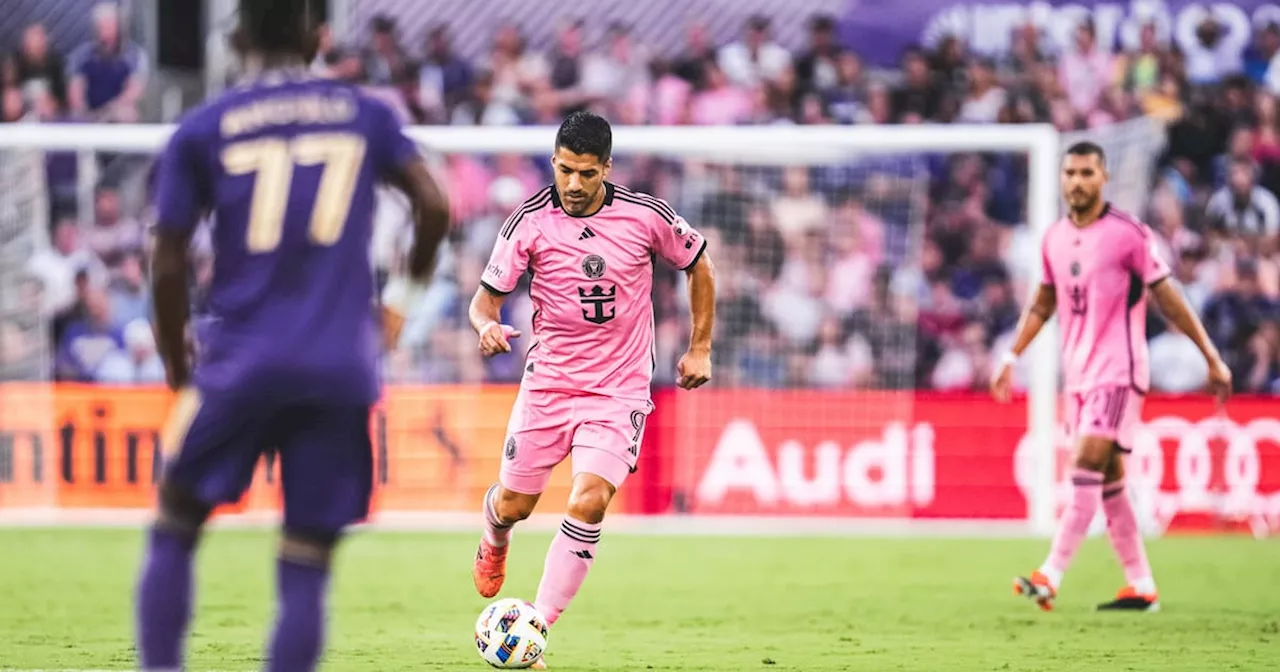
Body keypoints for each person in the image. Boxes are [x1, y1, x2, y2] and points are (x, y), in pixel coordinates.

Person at [135, 0, 449, 670]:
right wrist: (398, 306)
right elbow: (434, 202)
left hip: (243, 359)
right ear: (319, 37)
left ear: (238, 35)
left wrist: (176, 362)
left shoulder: (205, 127)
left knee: (176, 521)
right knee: (306, 555)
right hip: (338, 365)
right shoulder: (366, 115)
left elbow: (165, 256)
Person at [470, 111, 716, 668]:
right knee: (514, 505)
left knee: (589, 499)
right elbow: (484, 300)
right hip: (549, 385)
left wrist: (700, 346)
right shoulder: (527, 222)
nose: (574, 185)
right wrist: (486, 325)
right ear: (553, 164)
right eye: (564, 171)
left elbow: (699, 263)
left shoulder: (646, 215)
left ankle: (533, 625)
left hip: (618, 390)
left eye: (585, 173)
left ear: (606, 167)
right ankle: (494, 535)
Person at [991, 141, 1231, 612]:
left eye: (1086, 173)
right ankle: (1141, 585)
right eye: (1070, 173)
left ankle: (1050, 574)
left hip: (1119, 371)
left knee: (1082, 464)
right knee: (1108, 480)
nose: (1076, 182)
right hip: (1077, 375)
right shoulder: (1054, 239)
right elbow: (1043, 303)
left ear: (1103, 178)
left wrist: (1211, 355)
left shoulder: (1129, 235)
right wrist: (1010, 356)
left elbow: (1168, 296)